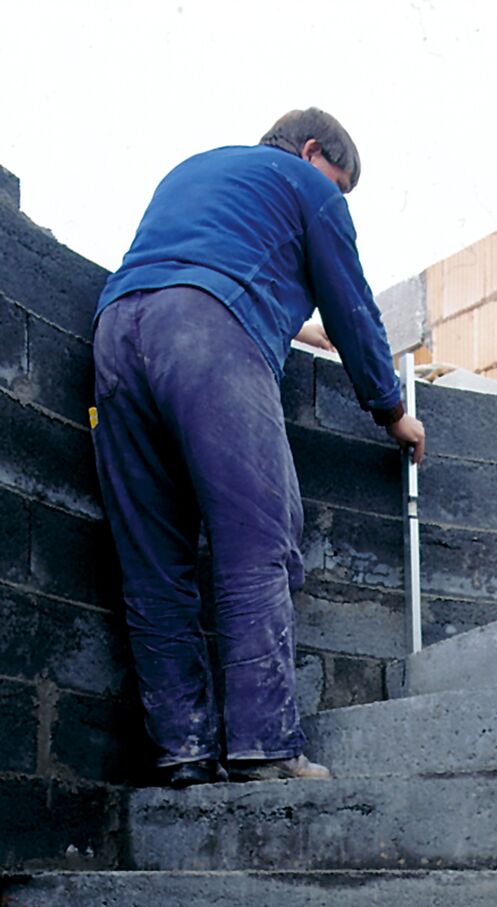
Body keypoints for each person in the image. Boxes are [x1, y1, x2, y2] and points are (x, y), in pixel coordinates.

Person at [91, 108, 425, 786]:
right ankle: (266, 747)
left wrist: (298, 331)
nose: (336, 194)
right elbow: (353, 308)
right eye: (337, 180)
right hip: (208, 339)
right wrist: (392, 411)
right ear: (311, 153)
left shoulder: (195, 168)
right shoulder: (309, 188)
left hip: (115, 339)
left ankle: (182, 751)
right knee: (259, 540)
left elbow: (197, 270)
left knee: (153, 560)